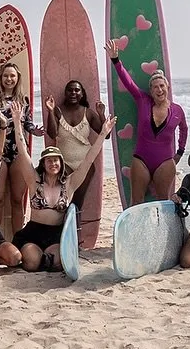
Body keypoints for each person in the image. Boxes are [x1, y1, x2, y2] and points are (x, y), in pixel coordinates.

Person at [7, 116, 112, 271]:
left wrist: (103, 133)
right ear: (43, 164)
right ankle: (37, 258)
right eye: (49, 160)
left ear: (61, 163)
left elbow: (88, 160)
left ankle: (46, 259)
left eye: (56, 160)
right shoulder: (34, 182)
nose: (53, 163)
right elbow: (23, 153)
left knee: (57, 263)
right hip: (33, 233)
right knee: (32, 263)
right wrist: (17, 123)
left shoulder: (69, 184)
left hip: (56, 234)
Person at [106, 40, 187, 203]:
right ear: (151, 90)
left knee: (163, 202)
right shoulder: (143, 100)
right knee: (136, 201)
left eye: (162, 86)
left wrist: (180, 152)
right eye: (155, 87)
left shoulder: (177, 110)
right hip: (141, 159)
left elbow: (184, 129)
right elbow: (128, 82)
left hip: (165, 162)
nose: (159, 89)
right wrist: (115, 60)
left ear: (168, 87)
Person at [0, 60, 42, 241]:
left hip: (18, 151)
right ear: (1, 78)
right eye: (6, 75)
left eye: (12, 76)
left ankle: (18, 241)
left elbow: (27, 123)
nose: (9, 79)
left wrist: (34, 130)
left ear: (17, 78)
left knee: (17, 199)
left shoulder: (23, 100)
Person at [44, 79, 108, 221]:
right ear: (65, 93)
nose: (73, 93)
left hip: (85, 164)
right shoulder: (58, 111)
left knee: (78, 202)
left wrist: (101, 114)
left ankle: (76, 232)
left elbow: (106, 134)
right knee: (63, 201)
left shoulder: (88, 113)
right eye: (70, 90)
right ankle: (60, 230)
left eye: (77, 90)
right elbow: (52, 134)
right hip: (64, 164)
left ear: (82, 93)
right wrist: (50, 111)